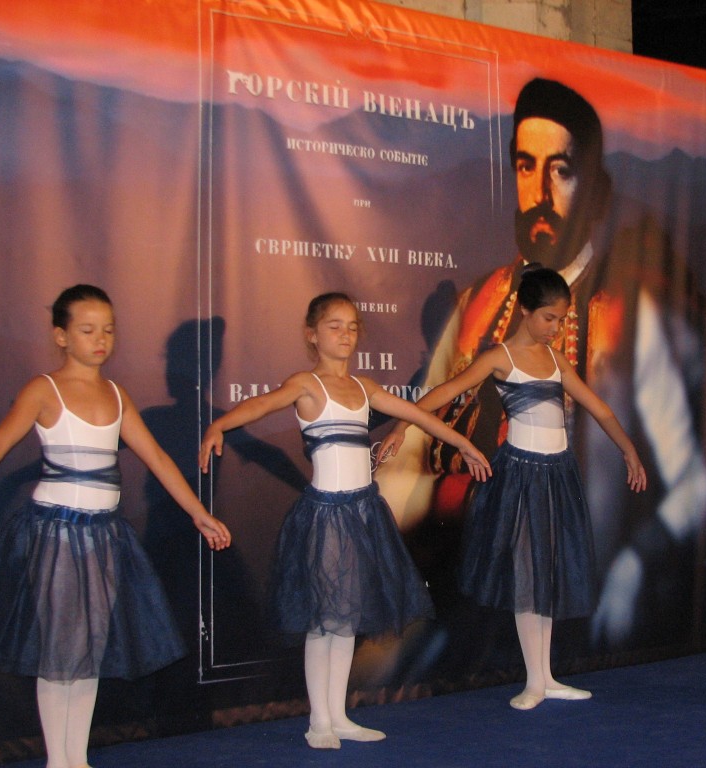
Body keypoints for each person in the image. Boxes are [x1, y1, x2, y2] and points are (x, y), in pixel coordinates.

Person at [374, 77, 706, 645]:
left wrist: (635, 561)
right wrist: (436, 483)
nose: (539, 192)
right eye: (526, 166)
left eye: (561, 171)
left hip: (582, 574)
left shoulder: (630, 317)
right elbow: (422, 434)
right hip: (466, 567)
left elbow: (691, 483)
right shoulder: (477, 304)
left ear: (597, 192)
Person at [0, 284, 232, 768]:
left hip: (104, 535)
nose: (101, 340)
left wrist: (198, 513)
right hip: (55, 533)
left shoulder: (117, 396)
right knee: (61, 648)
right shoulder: (44, 389)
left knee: (90, 644)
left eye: (108, 331)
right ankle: (59, 760)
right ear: (61, 336)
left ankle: (76, 757)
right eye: (88, 330)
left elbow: (158, 459)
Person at [198, 292, 491, 748]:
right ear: (312, 335)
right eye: (334, 326)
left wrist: (464, 444)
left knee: (347, 619)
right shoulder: (306, 384)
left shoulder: (364, 388)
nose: (346, 334)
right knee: (325, 621)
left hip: (363, 512)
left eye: (353, 326)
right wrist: (220, 426)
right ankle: (319, 721)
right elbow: (261, 405)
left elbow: (418, 414)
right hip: (326, 515)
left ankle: (339, 715)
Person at [382, 266, 646, 709]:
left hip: (557, 475)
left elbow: (599, 409)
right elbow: (444, 392)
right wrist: (399, 427)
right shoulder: (500, 357)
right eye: (548, 318)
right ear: (525, 310)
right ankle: (534, 681)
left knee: (547, 573)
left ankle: (546, 677)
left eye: (561, 320)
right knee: (527, 573)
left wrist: (629, 451)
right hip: (521, 476)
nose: (555, 327)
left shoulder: (558, 361)